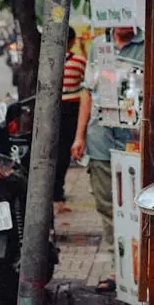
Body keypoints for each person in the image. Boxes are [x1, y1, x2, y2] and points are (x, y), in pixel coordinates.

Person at [71, 26, 143, 294]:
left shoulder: (149, 44)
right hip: (100, 139)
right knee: (107, 206)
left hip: (134, 141)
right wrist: (79, 137)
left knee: (137, 208)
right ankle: (119, 268)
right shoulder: (98, 46)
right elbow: (87, 93)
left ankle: (140, 268)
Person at [54, 28, 91, 214]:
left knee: (53, 153)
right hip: (71, 111)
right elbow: (87, 86)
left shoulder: (48, 62)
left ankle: (54, 194)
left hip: (53, 111)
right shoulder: (80, 61)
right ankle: (57, 195)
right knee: (63, 154)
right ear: (72, 41)